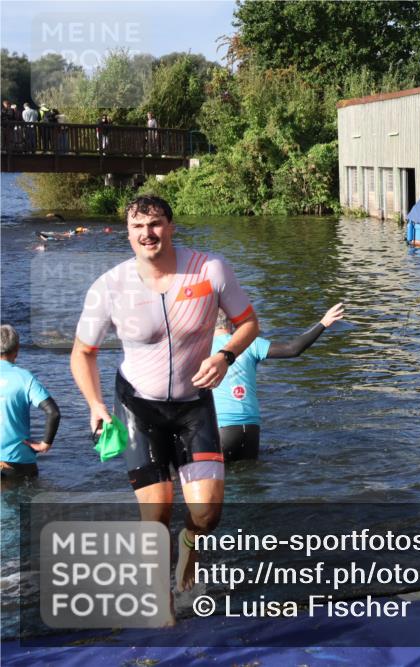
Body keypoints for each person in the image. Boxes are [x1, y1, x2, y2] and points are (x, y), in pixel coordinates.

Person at [70, 195, 260, 593]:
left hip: (194, 406)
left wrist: (225, 356)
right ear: (128, 234)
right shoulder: (110, 286)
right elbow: (83, 354)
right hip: (138, 406)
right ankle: (160, 603)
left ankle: (189, 546)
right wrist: (96, 406)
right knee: (155, 512)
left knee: (207, 514)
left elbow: (248, 324)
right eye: (138, 227)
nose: (147, 233)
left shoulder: (209, 270)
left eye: (155, 224)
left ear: (171, 227)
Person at [213, 303, 344, 462]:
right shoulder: (249, 343)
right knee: (249, 482)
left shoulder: (200, 349)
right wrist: (323, 322)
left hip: (220, 429)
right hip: (251, 430)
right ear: (233, 322)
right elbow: (293, 349)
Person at [1, 324, 61, 479]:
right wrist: (44, 444)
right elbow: (53, 412)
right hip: (18, 462)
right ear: (17, 349)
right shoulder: (24, 378)